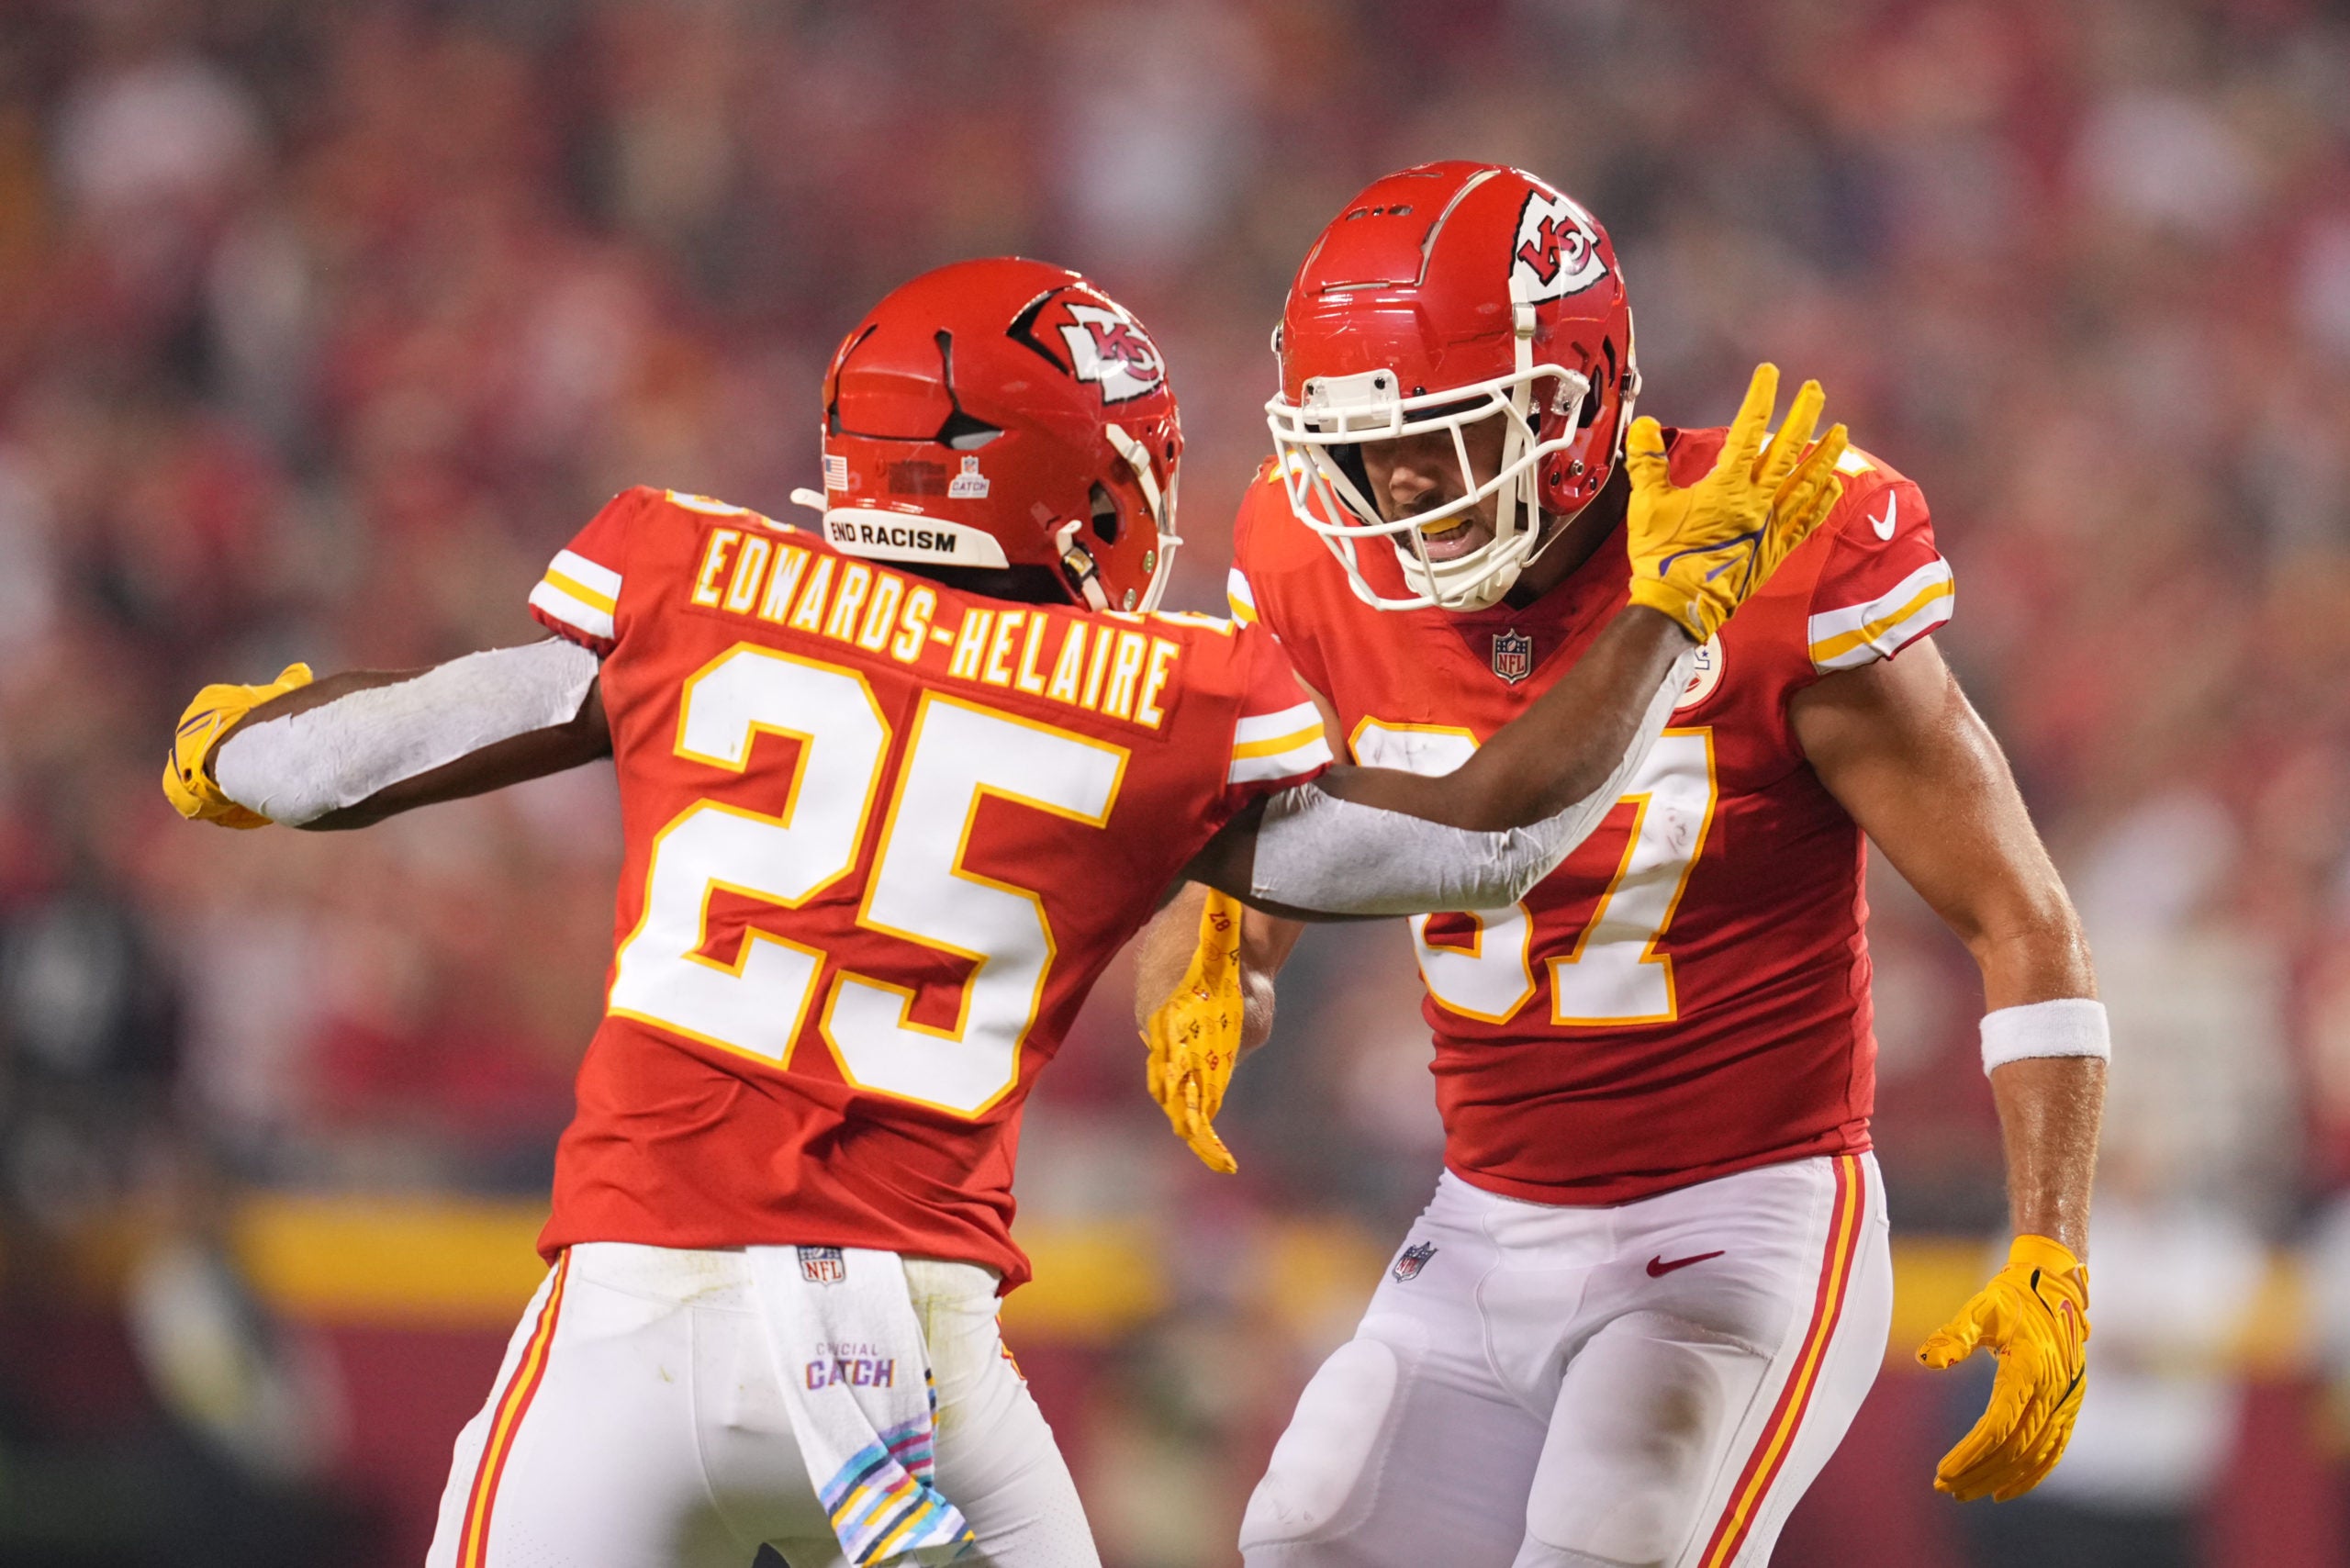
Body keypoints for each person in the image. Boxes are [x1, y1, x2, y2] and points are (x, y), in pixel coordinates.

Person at [161, 256, 1844, 1568]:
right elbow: (1485, 844)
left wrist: (233, 745)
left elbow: (339, 765)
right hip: (912, 1369)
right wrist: (1668, 614)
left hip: (632, 1323)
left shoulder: (691, 575)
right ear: (1084, 486)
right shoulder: (1152, 694)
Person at [1134, 162, 2108, 1568]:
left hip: (1741, 1220)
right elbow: (1270, 861)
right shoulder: (1314, 557)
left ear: (1573, 399)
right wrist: (1221, 956)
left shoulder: (1773, 542)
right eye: (1363, 445)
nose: (1397, 487)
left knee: (1614, 1533)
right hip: (1483, 1218)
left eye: (1447, 437)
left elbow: (2024, 921)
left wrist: (2052, 1246)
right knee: (1309, 1526)